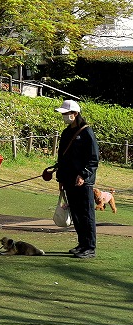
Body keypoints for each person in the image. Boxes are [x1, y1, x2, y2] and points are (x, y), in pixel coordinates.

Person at [45, 99, 99, 258]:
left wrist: (84, 175)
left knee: (86, 214)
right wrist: (60, 178)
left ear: (75, 114)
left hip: (83, 181)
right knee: (76, 214)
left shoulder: (87, 132)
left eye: (66, 113)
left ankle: (90, 247)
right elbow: (62, 158)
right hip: (69, 180)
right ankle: (82, 244)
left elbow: (93, 158)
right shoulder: (66, 132)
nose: (64, 116)